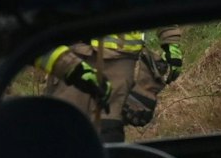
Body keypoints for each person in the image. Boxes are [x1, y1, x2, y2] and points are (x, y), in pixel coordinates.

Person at [38, 27, 185, 142]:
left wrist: (170, 41)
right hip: (71, 60)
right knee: (63, 134)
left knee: (108, 136)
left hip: (121, 65)